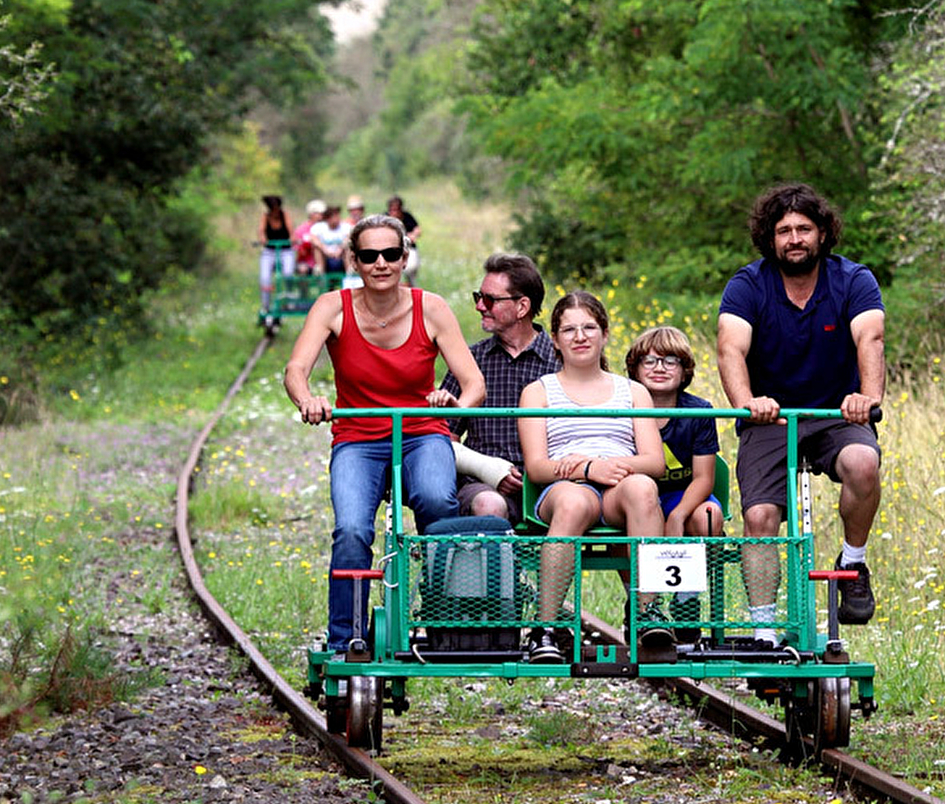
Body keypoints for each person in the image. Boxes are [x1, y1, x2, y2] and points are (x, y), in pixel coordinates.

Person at [283, 215, 486, 654]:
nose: (381, 264)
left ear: (404, 258)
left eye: (390, 254)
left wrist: (456, 406)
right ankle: (347, 638)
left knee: (437, 503)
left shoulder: (430, 307)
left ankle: (445, 622)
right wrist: (307, 400)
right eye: (370, 255)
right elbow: (296, 369)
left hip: (421, 432)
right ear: (353, 260)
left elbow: (473, 384)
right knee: (353, 529)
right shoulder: (332, 307)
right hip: (358, 436)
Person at [717, 181, 885, 640]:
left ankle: (853, 564)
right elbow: (730, 348)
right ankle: (764, 628)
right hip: (770, 417)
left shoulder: (853, 280)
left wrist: (866, 399)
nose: (794, 239)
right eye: (784, 230)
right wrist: (746, 403)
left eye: (804, 229)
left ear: (823, 233)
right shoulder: (748, 285)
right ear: (770, 239)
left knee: (863, 463)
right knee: (759, 518)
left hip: (837, 415)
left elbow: (870, 339)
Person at [517, 290, 670, 662]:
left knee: (644, 488)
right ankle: (545, 626)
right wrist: (586, 469)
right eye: (569, 329)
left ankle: (646, 610)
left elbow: (654, 461)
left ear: (604, 333)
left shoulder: (633, 392)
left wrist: (607, 468)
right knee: (571, 501)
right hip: (563, 486)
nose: (580, 336)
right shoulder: (538, 393)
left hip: (619, 484)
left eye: (589, 327)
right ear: (555, 338)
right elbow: (537, 467)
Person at [440, 253, 561, 520]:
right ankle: (495, 563)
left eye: (490, 300)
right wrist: (490, 471)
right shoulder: (470, 361)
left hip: (552, 485)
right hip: (480, 484)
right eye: (478, 297)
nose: (480, 307)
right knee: (489, 504)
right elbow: (442, 435)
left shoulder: (562, 361)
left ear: (522, 307)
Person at [626, 326, 723, 641]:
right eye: (649, 361)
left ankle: (686, 600)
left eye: (670, 361)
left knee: (709, 517)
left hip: (684, 495)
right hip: (639, 495)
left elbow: (704, 477)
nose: (659, 368)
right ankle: (640, 599)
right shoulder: (623, 410)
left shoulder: (698, 411)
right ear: (635, 369)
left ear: (685, 371)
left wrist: (679, 514)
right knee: (622, 520)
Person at [257, 195, 294, 310]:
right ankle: (266, 304)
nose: (275, 212)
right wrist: (263, 238)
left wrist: (292, 238)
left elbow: (291, 231)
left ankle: (288, 299)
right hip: (270, 250)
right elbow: (261, 231)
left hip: (285, 250)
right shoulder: (265, 216)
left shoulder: (284, 215)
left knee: (288, 274)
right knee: (265, 278)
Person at [386, 195, 422, 285]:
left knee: (411, 268)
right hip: (391, 249)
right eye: (392, 210)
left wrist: (413, 235)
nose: (394, 213)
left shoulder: (407, 217)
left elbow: (417, 229)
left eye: (396, 210)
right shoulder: (385, 218)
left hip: (408, 247)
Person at [292, 199, 326, 275]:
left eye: (322, 214)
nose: (321, 216)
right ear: (311, 214)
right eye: (318, 213)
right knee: (302, 269)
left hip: (325, 260)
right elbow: (298, 249)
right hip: (306, 262)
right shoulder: (301, 229)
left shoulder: (326, 227)